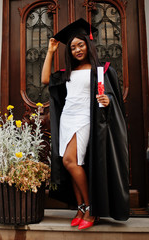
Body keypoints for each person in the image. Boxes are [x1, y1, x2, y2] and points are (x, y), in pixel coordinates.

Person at [41, 18, 130, 230]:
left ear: (88, 45)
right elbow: (45, 80)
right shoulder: (67, 73)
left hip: (84, 119)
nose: (77, 50)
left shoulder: (102, 70)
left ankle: (91, 208)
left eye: (81, 45)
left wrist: (107, 99)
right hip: (67, 119)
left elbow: (110, 94)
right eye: (72, 47)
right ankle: (81, 207)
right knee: (72, 163)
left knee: (71, 161)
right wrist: (51, 51)